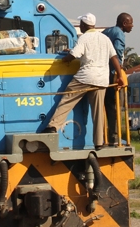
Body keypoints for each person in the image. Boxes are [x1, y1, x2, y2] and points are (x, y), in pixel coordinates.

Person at [44, 13, 128, 148]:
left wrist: (65, 59)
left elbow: (74, 55)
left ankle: (52, 127)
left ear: (83, 25)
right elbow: (114, 58)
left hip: (85, 77)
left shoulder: (84, 37)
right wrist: (119, 76)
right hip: (101, 79)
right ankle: (99, 143)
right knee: (98, 112)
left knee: (66, 100)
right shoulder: (104, 38)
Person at [102, 13, 133, 145]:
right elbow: (117, 53)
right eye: (131, 22)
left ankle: (103, 136)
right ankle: (115, 136)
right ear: (124, 23)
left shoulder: (106, 31)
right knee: (115, 107)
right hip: (113, 73)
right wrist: (119, 71)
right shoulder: (119, 33)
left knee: (105, 106)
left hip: (102, 72)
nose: (132, 26)